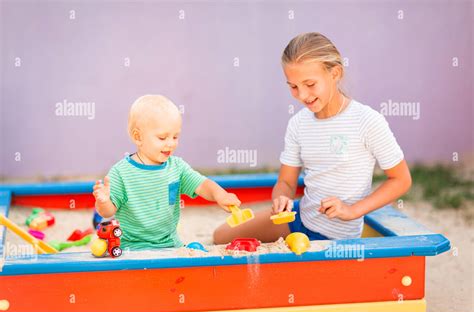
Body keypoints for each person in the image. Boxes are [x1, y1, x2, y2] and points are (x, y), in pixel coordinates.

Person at [214, 32, 412, 244]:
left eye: (310, 84)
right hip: (300, 218)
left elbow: (401, 180)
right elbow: (286, 182)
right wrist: (281, 197)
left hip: (338, 235)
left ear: (335, 73)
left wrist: (352, 210)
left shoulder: (367, 121)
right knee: (221, 237)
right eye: (293, 86)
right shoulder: (298, 124)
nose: (302, 95)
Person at [94, 94, 241, 250]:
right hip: (132, 247)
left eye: (175, 136)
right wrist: (103, 201)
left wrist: (220, 195)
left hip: (170, 244)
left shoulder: (177, 167)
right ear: (138, 137)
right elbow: (108, 211)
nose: (171, 144)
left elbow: (202, 184)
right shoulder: (121, 173)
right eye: (162, 138)